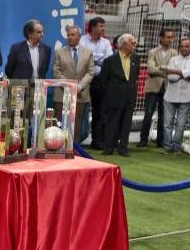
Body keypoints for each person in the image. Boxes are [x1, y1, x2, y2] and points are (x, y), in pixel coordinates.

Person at [98, 33, 140, 156]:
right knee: (112, 123)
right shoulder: (110, 60)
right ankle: (109, 148)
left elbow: (134, 77)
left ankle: (123, 148)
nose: (135, 45)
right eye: (132, 42)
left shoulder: (136, 58)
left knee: (127, 123)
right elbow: (103, 81)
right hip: (114, 97)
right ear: (124, 44)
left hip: (130, 96)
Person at [53, 25, 94, 142]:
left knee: (76, 126)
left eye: (73, 35)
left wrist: (80, 86)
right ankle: (58, 147)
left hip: (80, 95)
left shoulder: (88, 53)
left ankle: (75, 152)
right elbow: (56, 72)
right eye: (68, 35)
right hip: (62, 95)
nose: (70, 37)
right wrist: (70, 86)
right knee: (60, 124)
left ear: (79, 37)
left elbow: (90, 72)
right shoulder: (59, 52)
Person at [138, 28, 176, 147]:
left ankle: (161, 141)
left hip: (168, 87)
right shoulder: (152, 52)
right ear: (161, 37)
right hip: (153, 87)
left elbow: (173, 70)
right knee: (148, 114)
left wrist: (160, 69)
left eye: (171, 37)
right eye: (168, 37)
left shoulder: (174, 53)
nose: (170, 40)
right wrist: (166, 70)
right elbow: (150, 69)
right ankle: (143, 140)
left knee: (163, 115)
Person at [162, 37, 190, 154]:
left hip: (186, 96)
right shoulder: (173, 59)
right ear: (179, 47)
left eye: (186, 46)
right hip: (170, 96)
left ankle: (177, 147)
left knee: (181, 125)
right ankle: (167, 147)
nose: (184, 48)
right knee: (167, 123)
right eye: (182, 46)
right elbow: (170, 77)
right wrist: (185, 74)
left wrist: (176, 71)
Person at [80, 16, 113, 149]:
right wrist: (98, 58)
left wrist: (93, 57)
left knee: (99, 111)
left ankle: (97, 141)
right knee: (81, 110)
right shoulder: (82, 40)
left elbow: (109, 59)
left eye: (104, 26)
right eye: (101, 26)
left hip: (99, 81)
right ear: (93, 27)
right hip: (84, 80)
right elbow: (84, 58)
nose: (103, 29)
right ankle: (78, 139)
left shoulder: (106, 42)